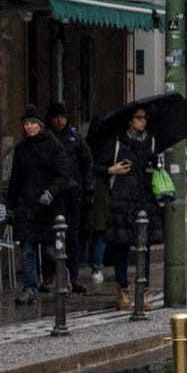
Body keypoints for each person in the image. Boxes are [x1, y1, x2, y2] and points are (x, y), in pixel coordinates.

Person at [7, 105, 73, 305]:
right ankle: (30, 288)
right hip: (26, 206)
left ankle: (63, 276)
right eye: (26, 124)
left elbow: (64, 175)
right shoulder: (21, 150)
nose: (28, 127)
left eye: (32, 123)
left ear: (40, 125)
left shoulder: (54, 146)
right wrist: (11, 206)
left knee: (50, 251)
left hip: (48, 208)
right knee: (27, 249)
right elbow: (15, 180)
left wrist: (50, 192)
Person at [102, 105, 162, 311]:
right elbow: (98, 166)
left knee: (143, 247)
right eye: (139, 117)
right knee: (121, 247)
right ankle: (122, 291)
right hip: (122, 200)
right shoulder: (118, 142)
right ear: (130, 121)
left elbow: (155, 169)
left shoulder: (151, 142)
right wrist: (112, 169)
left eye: (145, 117)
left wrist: (154, 164)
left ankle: (143, 292)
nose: (143, 121)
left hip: (144, 199)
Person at [46, 101, 92, 293]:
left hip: (72, 195)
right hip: (53, 195)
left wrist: (88, 189)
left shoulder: (75, 139)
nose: (59, 121)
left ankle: (73, 276)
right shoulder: (46, 139)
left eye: (62, 117)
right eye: (56, 117)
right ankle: (49, 276)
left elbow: (87, 163)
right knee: (51, 237)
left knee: (71, 237)